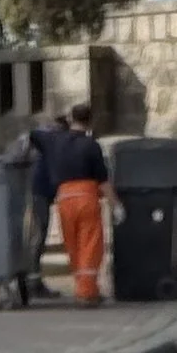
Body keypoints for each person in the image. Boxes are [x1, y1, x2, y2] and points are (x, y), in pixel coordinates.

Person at [46, 103, 113, 306]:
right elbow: (103, 181)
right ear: (90, 120)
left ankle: (84, 288)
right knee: (90, 245)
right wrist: (116, 203)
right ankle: (86, 292)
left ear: (70, 119)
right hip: (86, 197)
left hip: (64, 199)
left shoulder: (57, 143)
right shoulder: (91, 145)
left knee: (73, 245)